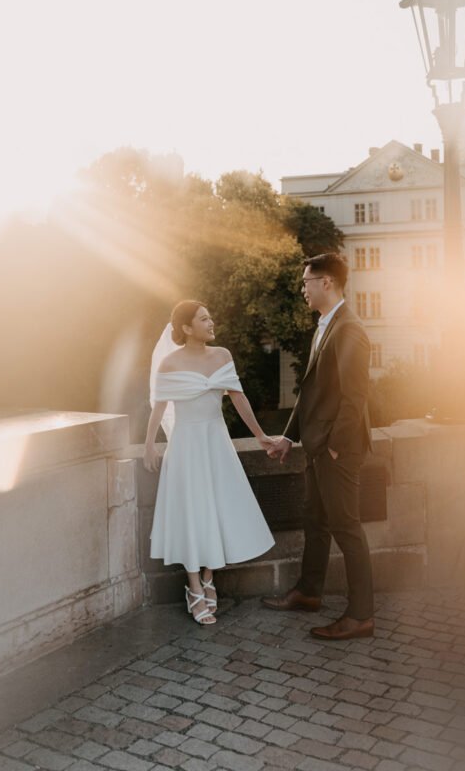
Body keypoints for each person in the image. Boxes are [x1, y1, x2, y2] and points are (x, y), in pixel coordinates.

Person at [263, 253, 374, 640]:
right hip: (317, 445)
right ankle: (309, 593)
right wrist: (289, 437)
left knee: (347, 528)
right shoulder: (325, 325)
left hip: (335, 450)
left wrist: (335, 448)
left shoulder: (349, 329)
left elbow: (356, 397)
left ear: (327, 282)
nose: (303, 289)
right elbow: (311, 393)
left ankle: (360, 615)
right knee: (315, 521)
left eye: (307, 281)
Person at [144, 299, 275, 626]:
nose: (211, 322)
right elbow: (158, 408)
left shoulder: (222, 356)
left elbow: (239, 397)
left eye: (210, 317)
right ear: (187, 327)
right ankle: (192, 587)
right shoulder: (170, 364)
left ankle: (207, 576)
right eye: (204, 319)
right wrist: (149, 445)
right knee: (191, 512)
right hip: (186, 445)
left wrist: (260, 435)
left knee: (216, 508)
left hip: (216, 443)